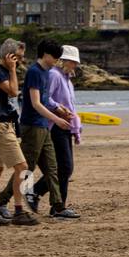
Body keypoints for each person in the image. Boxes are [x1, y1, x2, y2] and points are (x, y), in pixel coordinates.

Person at [0, 40, 79, 220]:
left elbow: (47, 100)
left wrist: (59, 109)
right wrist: (57, 119)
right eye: (55, 56)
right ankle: (1, 202)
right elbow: (35, 103)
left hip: (44, 125)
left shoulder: (47, 72)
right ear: (46, 55)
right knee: (27, 168)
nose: (57, 60)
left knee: (52, 168)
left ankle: (57, 207)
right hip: (33, 126)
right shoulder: (34, 72)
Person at [0, 39, 37, 226]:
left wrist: (12, 70)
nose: (20, 61)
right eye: (18, 57)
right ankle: (19, 211)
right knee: (23, 167)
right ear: (8, 56)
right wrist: (12, 69)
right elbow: (13, 92)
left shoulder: (3, 71)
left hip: (5, 124)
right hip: (0, 125)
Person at [32, 44, 83, 212]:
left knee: (64, 168)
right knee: (64, 167)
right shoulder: (54, 75)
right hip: (54, 126)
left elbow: (71, 106)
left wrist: (76, 127)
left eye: (76, 62)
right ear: (63, 61)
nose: (75, 65)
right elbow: (45, 99)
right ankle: (52, 204)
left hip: (64, 127)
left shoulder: (67, 79)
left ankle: (55, 204)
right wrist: (59, 109)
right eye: (72, 62)